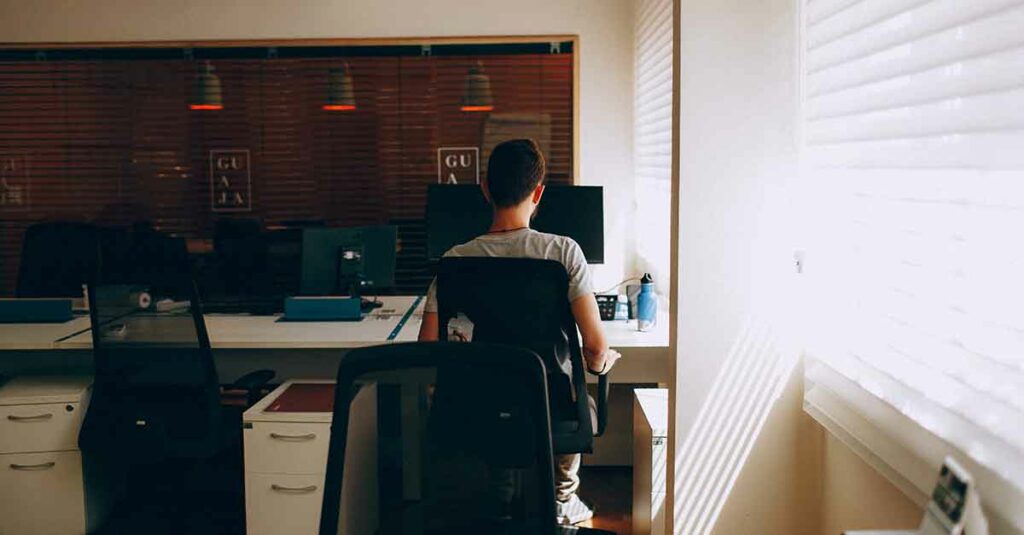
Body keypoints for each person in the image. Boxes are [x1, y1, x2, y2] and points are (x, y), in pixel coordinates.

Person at [419, 138, 622, 525]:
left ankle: (503, 496)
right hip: (549, 408)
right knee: (566, 392)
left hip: (475, 409)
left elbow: (429, 351)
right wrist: (597, 363)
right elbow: (595, 347)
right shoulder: (563, 253)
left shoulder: (454, 262)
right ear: (539, 192)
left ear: (485, 190)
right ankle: (562, 500)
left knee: (496, 401)